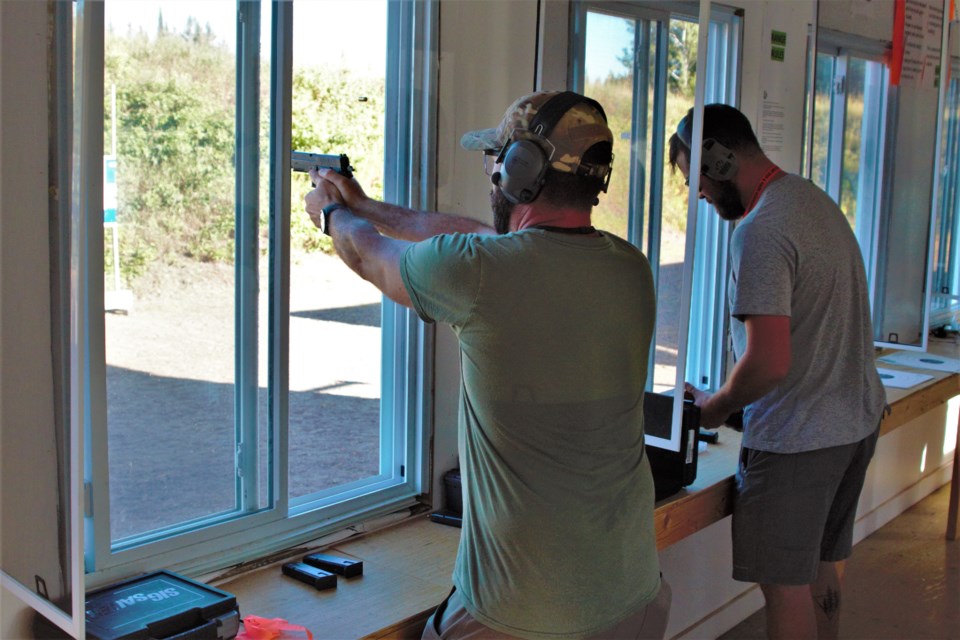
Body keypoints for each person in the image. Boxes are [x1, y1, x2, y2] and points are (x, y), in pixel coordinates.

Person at [304, 90, 670, 639]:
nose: (492, 176)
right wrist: (366, 205)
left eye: (497, 161)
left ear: (523, 170)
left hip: (521, 609)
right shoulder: (630, 266)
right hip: (632, 591)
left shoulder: (480, 275)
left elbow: (369, 256)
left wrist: (331, 214)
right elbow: (481, 238)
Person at [671, 104, 886, 640]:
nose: (695, 194)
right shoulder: (810, 200)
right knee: (817, 567)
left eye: (694, 178)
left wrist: (715, 407)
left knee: (783, 587)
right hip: (852, 425)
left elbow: (769, 361)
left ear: (719, 161)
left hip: (799, 440)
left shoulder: (761, 231)